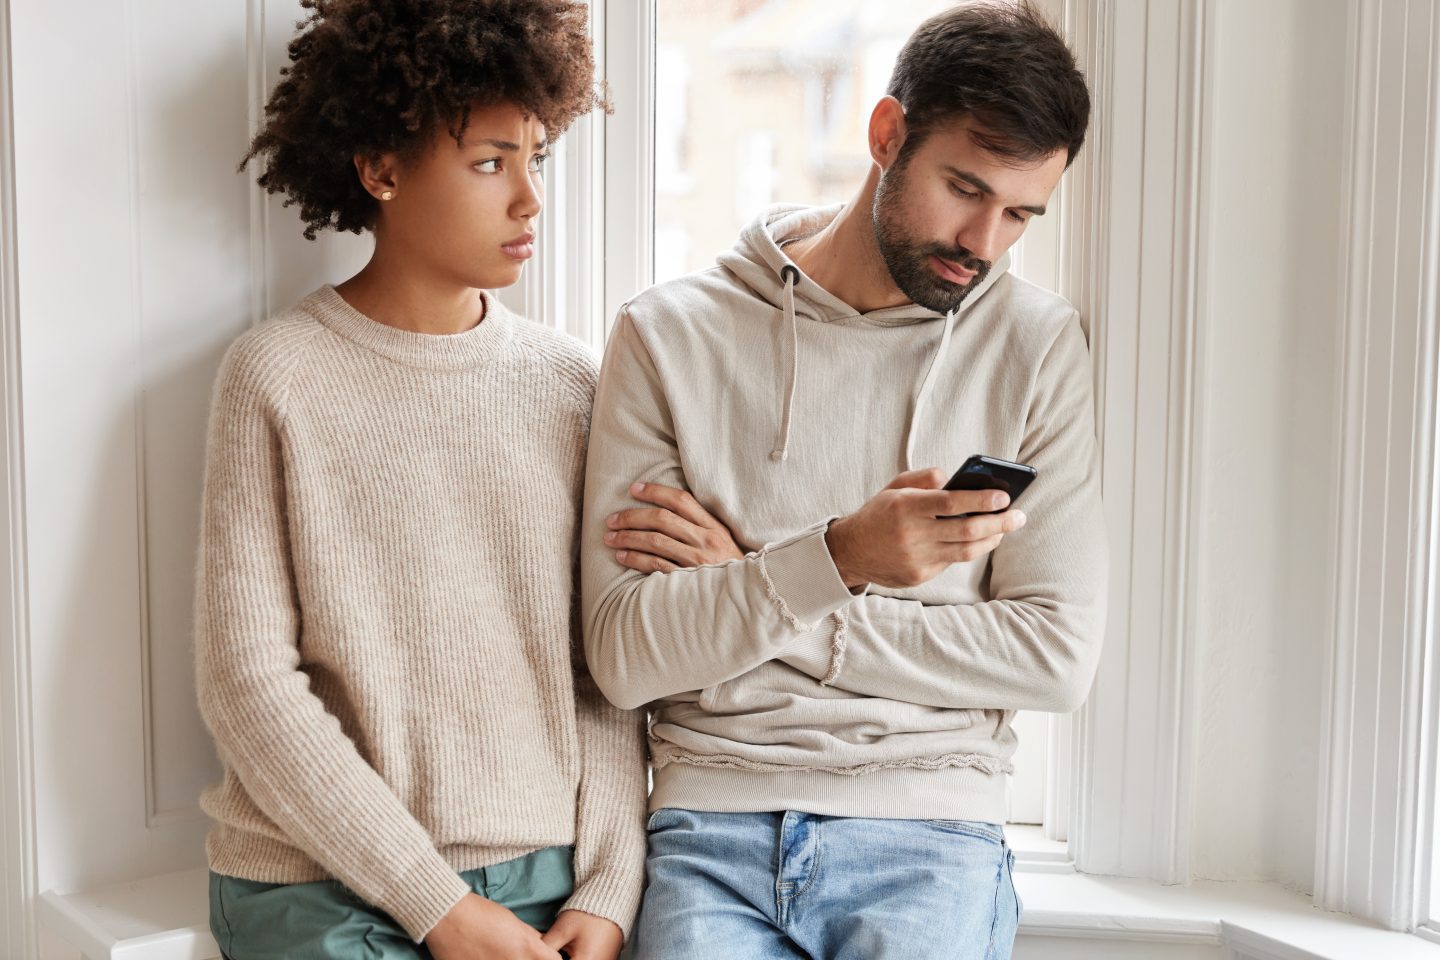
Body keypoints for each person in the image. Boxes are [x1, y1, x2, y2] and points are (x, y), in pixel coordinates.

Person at [581, 3, 1104, 958]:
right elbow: (624, 655)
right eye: (965, 187)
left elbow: (1053, 657)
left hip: (932, 832)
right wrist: (839, 557)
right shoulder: (669, 338)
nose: (984, 242)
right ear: (886, 135)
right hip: (710, 829)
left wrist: (772, 581)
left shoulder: (1033, 346)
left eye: (1022, 213)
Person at [194, 2, 645, 958]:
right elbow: (247, 684)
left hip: (548, 875)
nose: (529, 198)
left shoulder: (570, 385)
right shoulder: (277, 374)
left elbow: (597, 666)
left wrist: (608, 886)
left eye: (537, 158)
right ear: (381, 169)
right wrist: (436, 905)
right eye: (490, 162)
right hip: (321, 878)